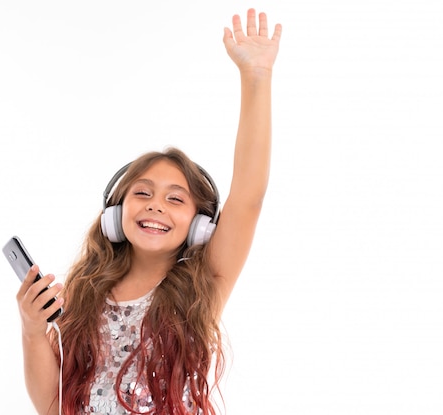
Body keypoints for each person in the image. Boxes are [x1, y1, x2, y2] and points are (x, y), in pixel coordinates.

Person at [16, 8, 282, 415]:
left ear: (199, 228)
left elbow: (248, 195)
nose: (156, 204)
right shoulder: (84, 297)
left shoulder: (202, 287)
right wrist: (34, 331)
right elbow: (53, 408)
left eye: (175, 199)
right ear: (115, 214)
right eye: (143, 193)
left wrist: (256, 78)